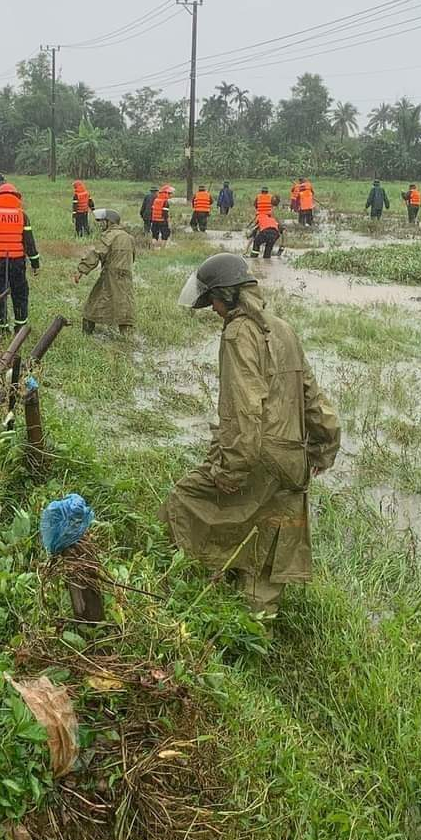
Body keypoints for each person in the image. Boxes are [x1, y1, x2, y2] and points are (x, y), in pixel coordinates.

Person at [161, 254, 340, 623]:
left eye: (212, 300)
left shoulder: (238, 333)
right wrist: (323, 447)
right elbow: (313, 397)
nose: (211, 308)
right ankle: (257, 622)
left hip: (258, 455)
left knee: (184, 501)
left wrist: (230, 470)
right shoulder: (282, 328)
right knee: (270, 537)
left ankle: (175, 585)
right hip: (293, 461)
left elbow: (243, 411)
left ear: (226, 297)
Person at [0, 179, 40, 333]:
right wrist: (35, 263)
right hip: (17, 263)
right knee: (20, 295)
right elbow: (29, 242)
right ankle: (20, 328)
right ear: (16, 197)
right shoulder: (22, 216)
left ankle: (2, 329)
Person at [73, 209, 135, 335]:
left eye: (103, 222)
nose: (101, 225)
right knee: (124, 306)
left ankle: (86, 335)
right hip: (126, 277)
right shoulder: (129, 238)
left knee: (92, 306)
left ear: (109, 222)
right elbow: (132, 258)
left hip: (110, 275)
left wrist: (81, 270)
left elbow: (96, 254)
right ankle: (126, 336)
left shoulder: (109, 236)